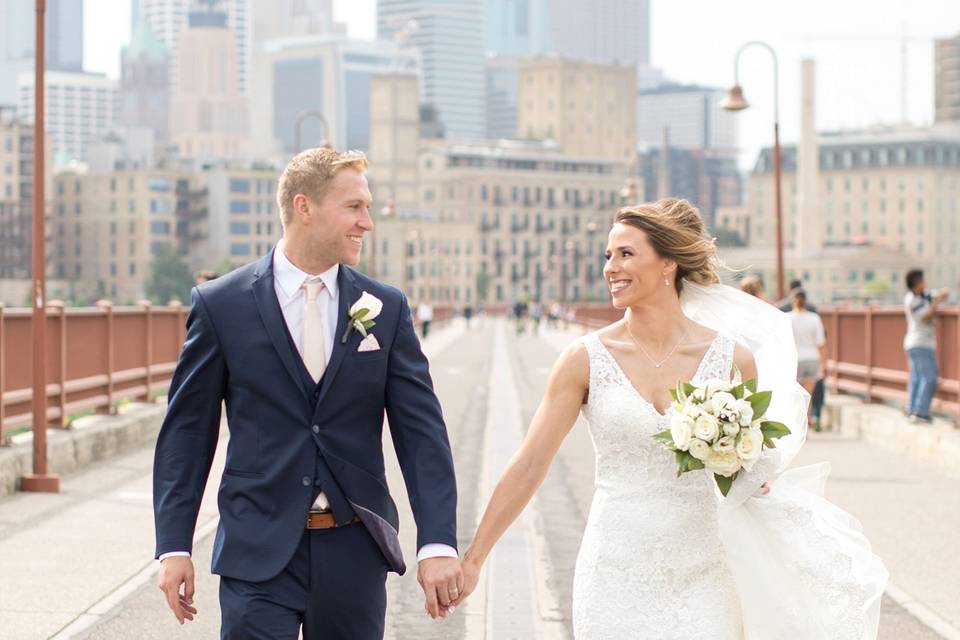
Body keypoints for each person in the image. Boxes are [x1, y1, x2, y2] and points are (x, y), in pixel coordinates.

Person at [452, 198, 886, 638]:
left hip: (704, 571)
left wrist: (751, 472)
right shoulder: (583, 360)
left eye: (626, 254)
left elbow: (748, 466)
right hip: (613, 571)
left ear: (668, 263)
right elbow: (530, 463)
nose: (610, 268)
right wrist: (474, 559)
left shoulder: (733, 361)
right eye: (608, 256)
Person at [153, 147, 461, 639]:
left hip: (353, 550)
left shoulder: (385, 307)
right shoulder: (221, 306)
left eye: (368, 208)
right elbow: (187, 434)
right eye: (354, 207)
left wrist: (438, 542)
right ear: (304, 207)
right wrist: (174, 546)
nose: (368, 222)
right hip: (256, 552)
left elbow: (422, 434)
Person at [903, 269, 948, 423]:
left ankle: (912, 410)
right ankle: (921, 412)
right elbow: (925, 316)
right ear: (918, 283)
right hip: (921, 342)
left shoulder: (922, 296)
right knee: (929, 377)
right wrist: (936, 302)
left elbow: (941, 294)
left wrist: (940, 295)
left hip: (914, 343)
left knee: (916, 377)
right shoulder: (912, 300)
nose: (925, 283)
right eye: (923, 281)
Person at [787, 290, 827, 430]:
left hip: (795, 360)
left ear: (792, 301)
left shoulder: (787, 318)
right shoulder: (814, 318)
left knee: (795, 396)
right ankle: (805, 427)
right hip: (812, 359)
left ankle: (796, 426)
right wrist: (823, 365)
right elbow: (821, 343)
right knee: (807, 397)